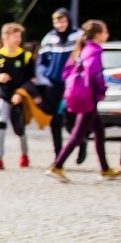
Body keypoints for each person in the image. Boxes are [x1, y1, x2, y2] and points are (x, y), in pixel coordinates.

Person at [47, 20, 115, 181]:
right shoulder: (94, 50)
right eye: (105, 31)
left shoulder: (81, 49)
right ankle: (57, 166)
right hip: (88, 97)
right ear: (98, 35)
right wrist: (102, 89)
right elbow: (94, 73)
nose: (107, 34)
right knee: (77, 134)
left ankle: (105, 169)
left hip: (81, 95)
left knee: (99, 130)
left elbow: (66, 73)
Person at [0, 22, 35, 171]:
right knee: (0, 125)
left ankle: (24, 154)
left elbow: (31, 80)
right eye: (15, 36)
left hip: (18, 97)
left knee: (19, 129)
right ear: (5, 37)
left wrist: (21, 93)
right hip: (2, 96)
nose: (18, 39)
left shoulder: (25, 57)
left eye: (19, 36)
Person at [38, 9, 80, 157]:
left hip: (72, 85)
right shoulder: (49, 38)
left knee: (72, 121)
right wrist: (47, 73)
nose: (60, 24)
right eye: (57, 21)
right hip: (53, 84)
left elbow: (83, 58)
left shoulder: (78, 36)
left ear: (68, 21)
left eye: (63, 21)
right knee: (55, 121)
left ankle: (82, 143)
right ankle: (58, 155)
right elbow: (41, 61)